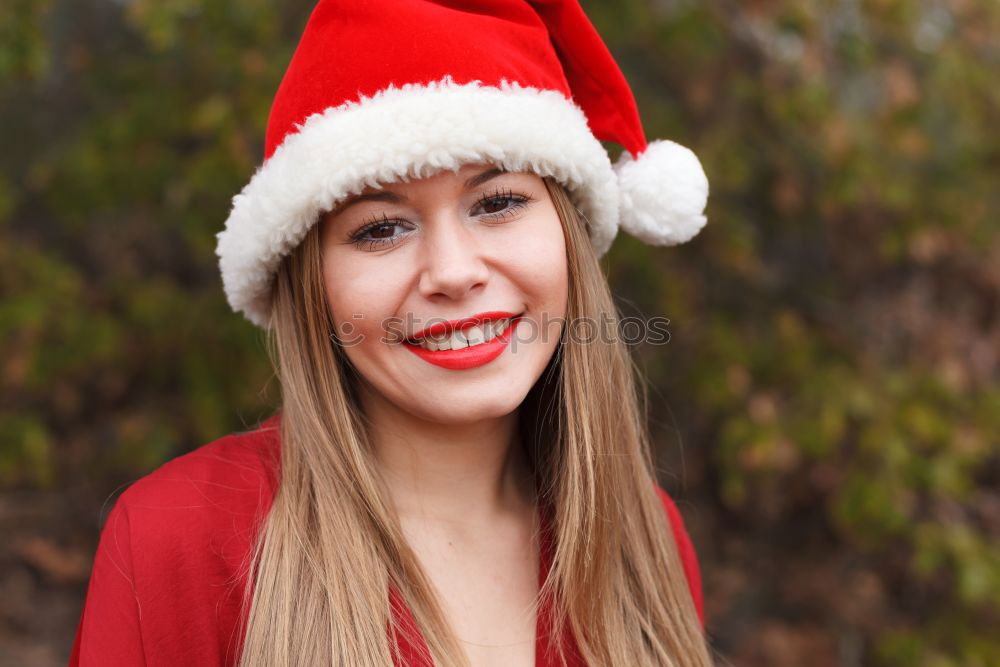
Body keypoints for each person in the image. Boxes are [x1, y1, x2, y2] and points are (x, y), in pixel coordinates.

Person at [69, 1, 712, 665]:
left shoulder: (643, 536)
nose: (454, 272)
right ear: (312, 284)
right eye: (381, 228)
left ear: (569, 236)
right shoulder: (176, 540)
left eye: (497, 203)